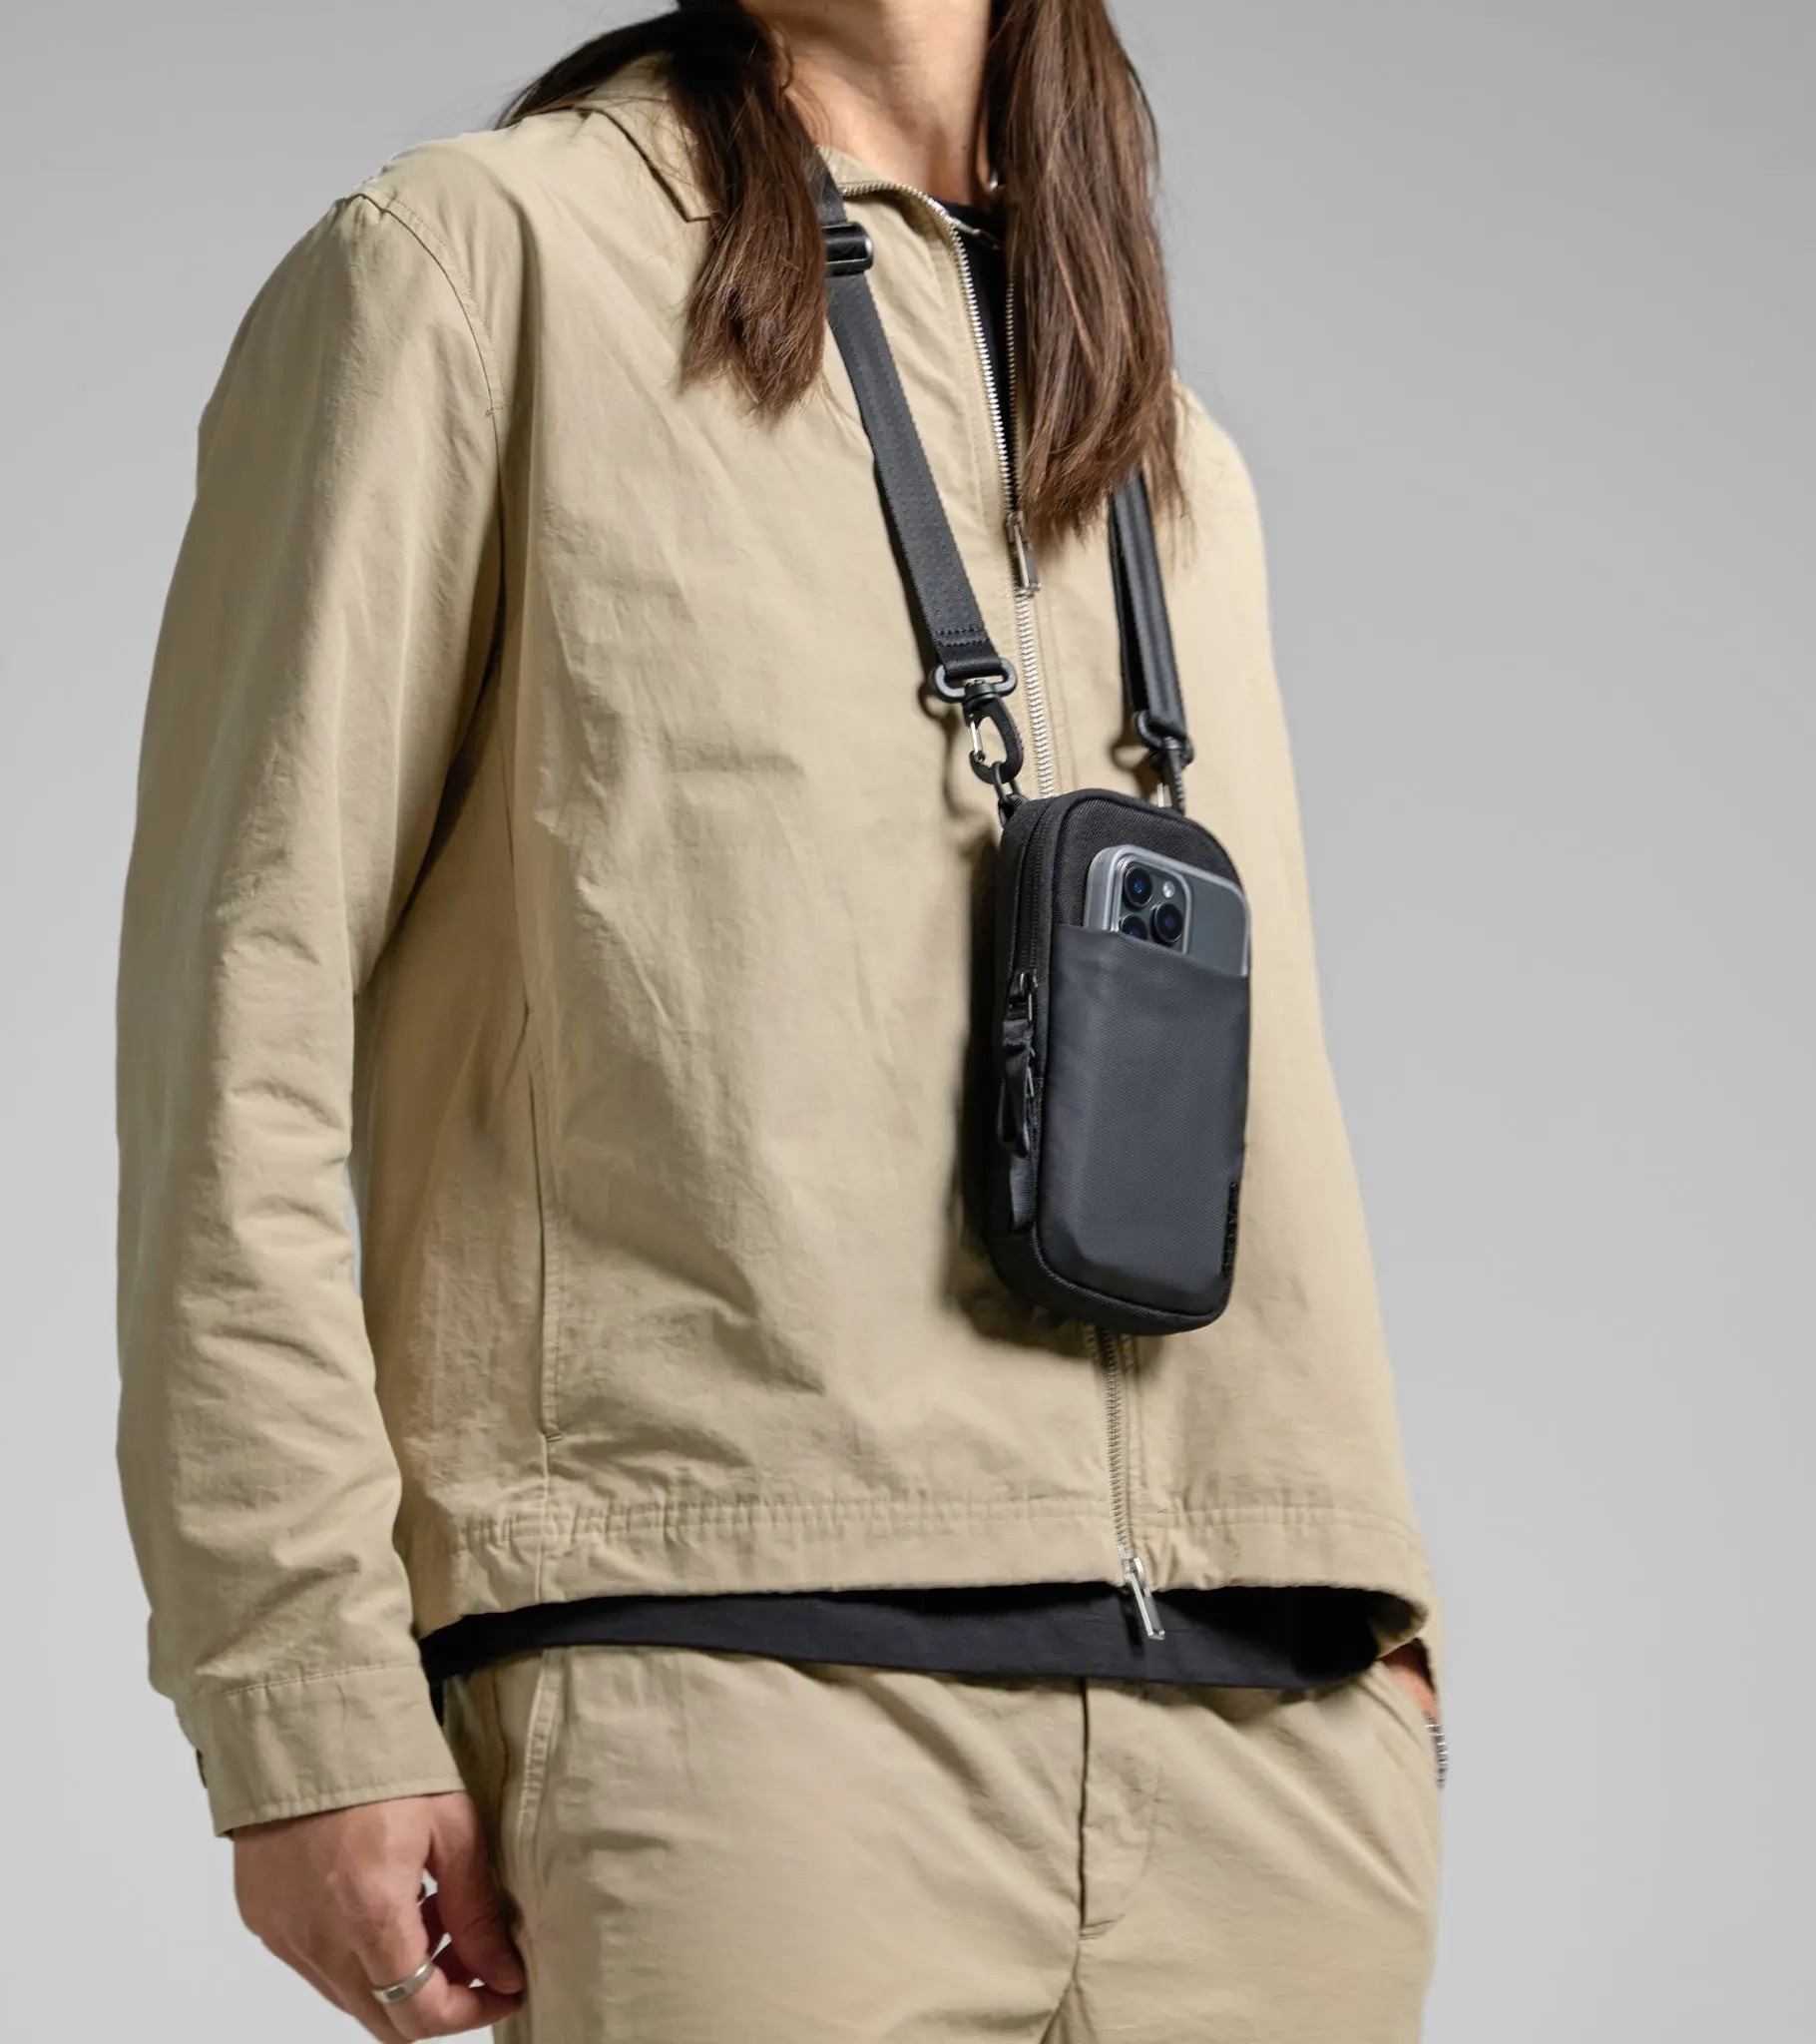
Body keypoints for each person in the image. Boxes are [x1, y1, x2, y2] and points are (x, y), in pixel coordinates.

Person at [115, 2, 1446, 2037]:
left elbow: (1278, 1095)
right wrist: (300, 1688)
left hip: (1270, 1745)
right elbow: (242, 1015)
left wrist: (1377, 1612)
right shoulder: (484, 265)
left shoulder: (1177, 457)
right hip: (728, 1693)